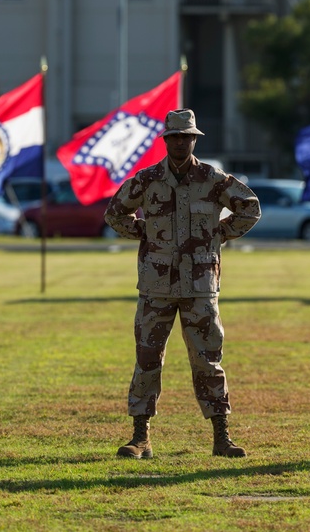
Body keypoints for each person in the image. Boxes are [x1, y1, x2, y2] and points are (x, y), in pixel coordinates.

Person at [105, 108, 261, 459]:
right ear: (166, 140)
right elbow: (115, 212)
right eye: (174, 136)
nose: (180, 142)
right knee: (147, 359)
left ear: (194, 139)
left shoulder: (212, 179)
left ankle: (222, 437)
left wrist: (219, 234)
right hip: (156, 284)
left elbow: (249, 207)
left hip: (200, 284)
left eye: (186, 136)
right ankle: (140, 438)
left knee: (208, 360)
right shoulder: (147, 180)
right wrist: (144, 234)